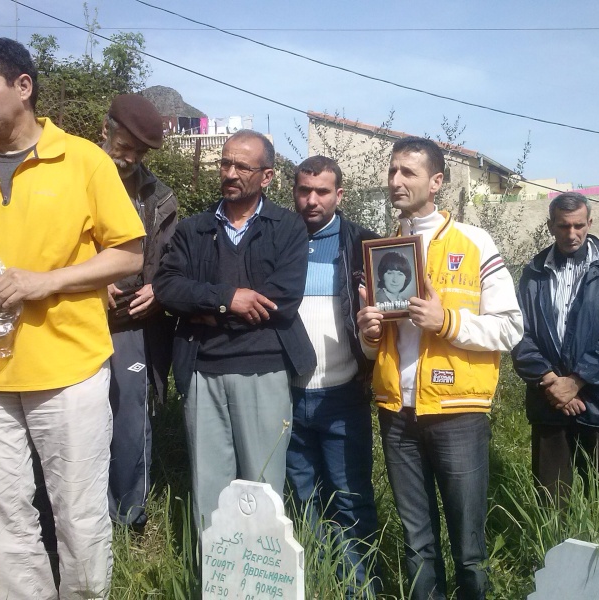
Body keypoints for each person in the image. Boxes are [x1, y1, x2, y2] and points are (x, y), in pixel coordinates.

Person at [0, 37, 145, 599]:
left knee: (78, 511)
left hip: (68, 365)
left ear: (23, 86)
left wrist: (42, 282)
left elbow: (128, 253)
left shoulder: (84, 159)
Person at [357, 137, 523, 600]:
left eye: (407, 172)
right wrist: (368, 334)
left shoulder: (474, 242)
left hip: (458, 414)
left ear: (436, 181)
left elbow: (511, 328)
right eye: (392, 172)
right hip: (397, 413)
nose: (395, 181)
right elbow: (376, 350)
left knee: (469, 547)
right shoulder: (383, 249)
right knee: (417, 545)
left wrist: (446, 321)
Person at [153, 130, 315, 530]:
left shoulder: (288, 227)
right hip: (202, 371)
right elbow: (168, 287)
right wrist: (229, 298)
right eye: (225, 163)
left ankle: (262, 586)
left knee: (261, 492)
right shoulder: (194, 229)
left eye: (242, 166)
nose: (230, 172)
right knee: (211, 495)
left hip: (263, 370)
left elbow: (282, 300)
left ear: (267, 176)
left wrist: (204, 309)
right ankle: (214, 583)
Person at [286, 155, 380, 595]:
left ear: (339, 195)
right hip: (284, 396)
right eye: (304, 190)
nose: (312, 200)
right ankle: (319, 583)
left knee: (350, 500)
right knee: (302, 500)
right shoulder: (276, 239)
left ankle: (359, 589)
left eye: (322, 191)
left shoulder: (364, 244)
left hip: (343, 396)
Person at [511, 192, 599, 503]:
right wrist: (552, 383)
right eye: (563, 226)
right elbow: (518, 332)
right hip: (549, 402)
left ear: (589, 223)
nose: (572, 234)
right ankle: (552, 553)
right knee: (551, 503)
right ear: (551, 225)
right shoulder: (534, 271)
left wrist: (576, 381)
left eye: (579, 225)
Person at [101, 94, 178, 531]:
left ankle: (129, 517)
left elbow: (171, 262)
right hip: (71, 319)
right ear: (105, 129)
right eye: (124, 145)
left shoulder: (159, 197)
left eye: (139, 152)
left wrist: (158, 289)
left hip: (132, 325)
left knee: (132, 417)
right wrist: (92, 278)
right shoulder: (72, 177)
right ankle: (79, 517)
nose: (129, 157)